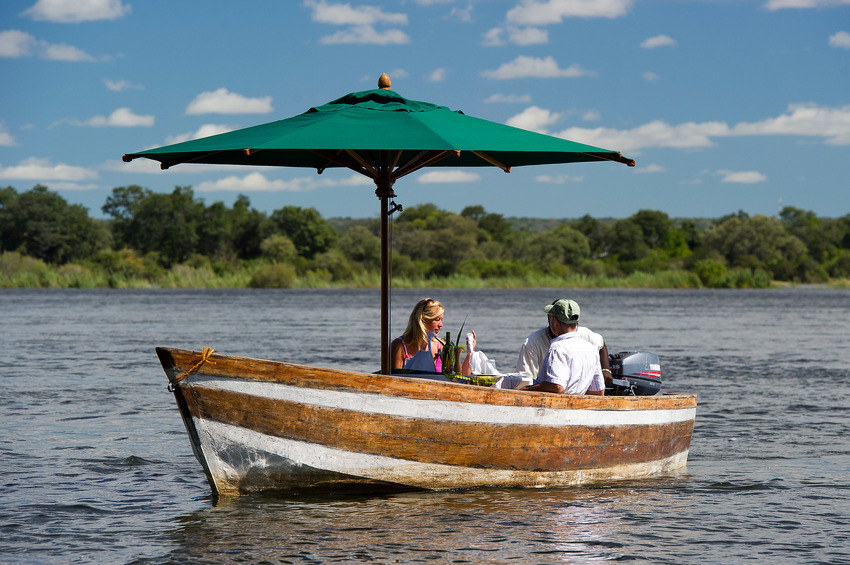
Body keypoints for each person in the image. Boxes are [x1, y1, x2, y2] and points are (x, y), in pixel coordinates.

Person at [516, 298, 613, 386]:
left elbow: (600, 343)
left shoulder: (581, 338)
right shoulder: (532, 342)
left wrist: (606, 370)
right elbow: (525, 379)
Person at [391, 298, 476, 374]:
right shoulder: (399, 346)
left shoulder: (442, 346)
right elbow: (393, 381)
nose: (441, 325)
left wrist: (469, 354)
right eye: (437, 320)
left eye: (441, 320)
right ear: (423, 319)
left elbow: (458, 378)